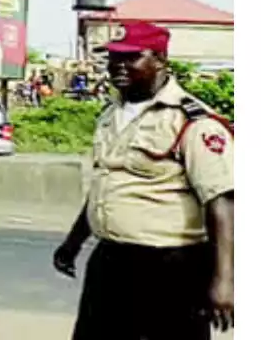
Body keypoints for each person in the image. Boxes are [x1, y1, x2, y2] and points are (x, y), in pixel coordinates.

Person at [53, 21, 233, 339]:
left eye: (131, 57)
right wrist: (73, 244)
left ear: (161, 60)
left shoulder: (194, 123)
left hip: (169, 267)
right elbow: (104, 186)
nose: (117, 67)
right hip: (110, 259)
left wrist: (224, 280)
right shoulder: (111, 115)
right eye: (112, 58)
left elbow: (222, 203)